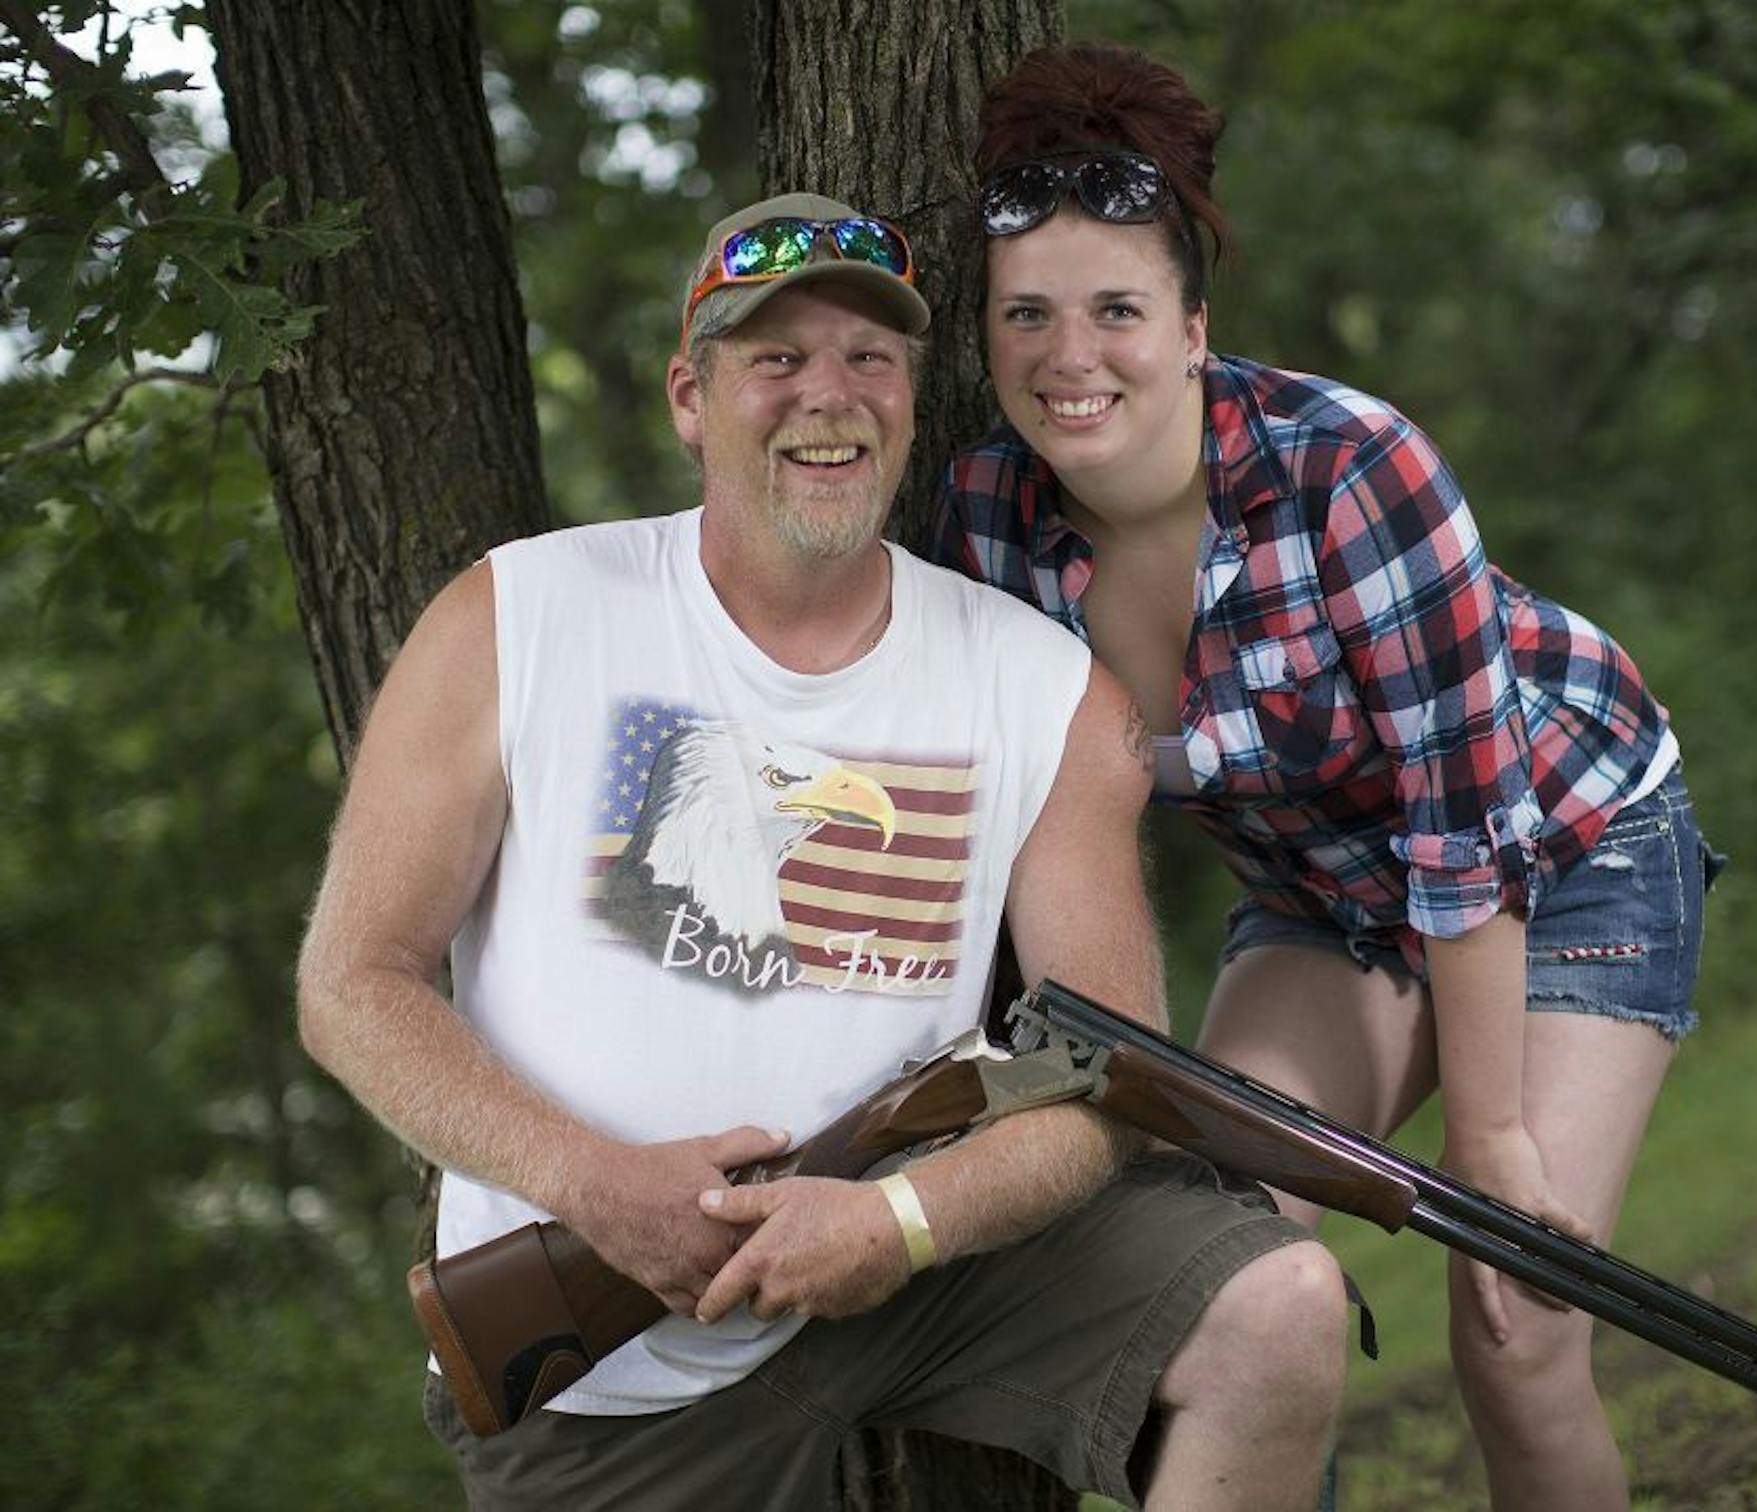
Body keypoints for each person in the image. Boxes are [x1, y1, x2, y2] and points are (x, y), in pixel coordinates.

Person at [296, 190, 1347, 1512]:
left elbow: (1107, 1066)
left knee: (1282, 1308)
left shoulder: (1044, 688)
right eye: (775, 359)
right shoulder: (517, 615)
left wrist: (903, 1224)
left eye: (870, 358)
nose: (828, 396)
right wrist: (599, 1190)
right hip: (610, 1360)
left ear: (911, 395)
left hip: (920, 1268)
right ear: (692, 396)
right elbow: (351, 986)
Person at [936, 47, 1723, 1512]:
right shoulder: (986, 522)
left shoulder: (1348, 467)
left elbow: (1464, 836)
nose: (1070, 356)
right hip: (1319, 902)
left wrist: (1490, 1147)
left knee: (1516, 1325)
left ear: (1191, 327)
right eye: (1026, 316)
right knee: (1211, 1277)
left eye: (1117, 310)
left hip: (1562, 851)